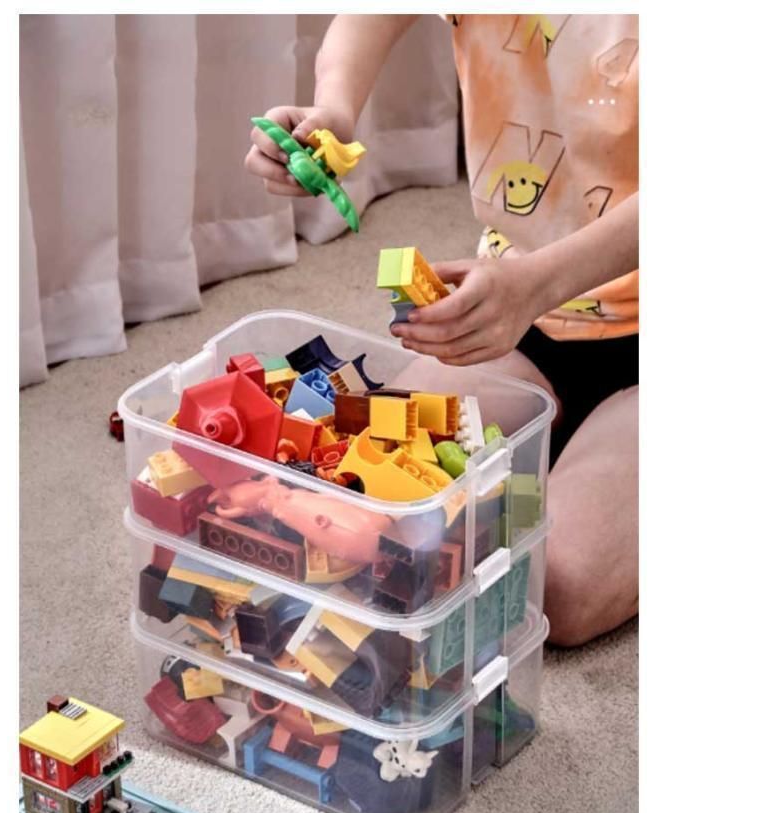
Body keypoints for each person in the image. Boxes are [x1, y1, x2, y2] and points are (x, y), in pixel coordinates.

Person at [244, 14, 638, 647]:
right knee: (359, 474)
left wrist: (537, 283)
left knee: (555, 588)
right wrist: (335, 107)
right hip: (529, 303)